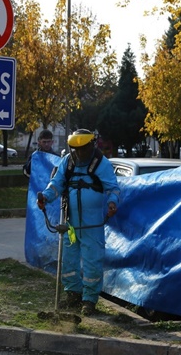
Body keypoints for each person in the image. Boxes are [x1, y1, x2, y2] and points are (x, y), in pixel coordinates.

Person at [36, 129, 120, 315]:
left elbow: (113, 188)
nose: (79, 153)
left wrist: (113, 202)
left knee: (92, 261)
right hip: (70, 223)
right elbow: (56, 185)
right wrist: (46, 197)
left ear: (91, 144)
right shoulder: (68, 162)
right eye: (76, 149)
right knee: (69, 260)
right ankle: (73, 294)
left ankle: (89, 300)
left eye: (83, 149)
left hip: (92, 224)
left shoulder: (101, 164)